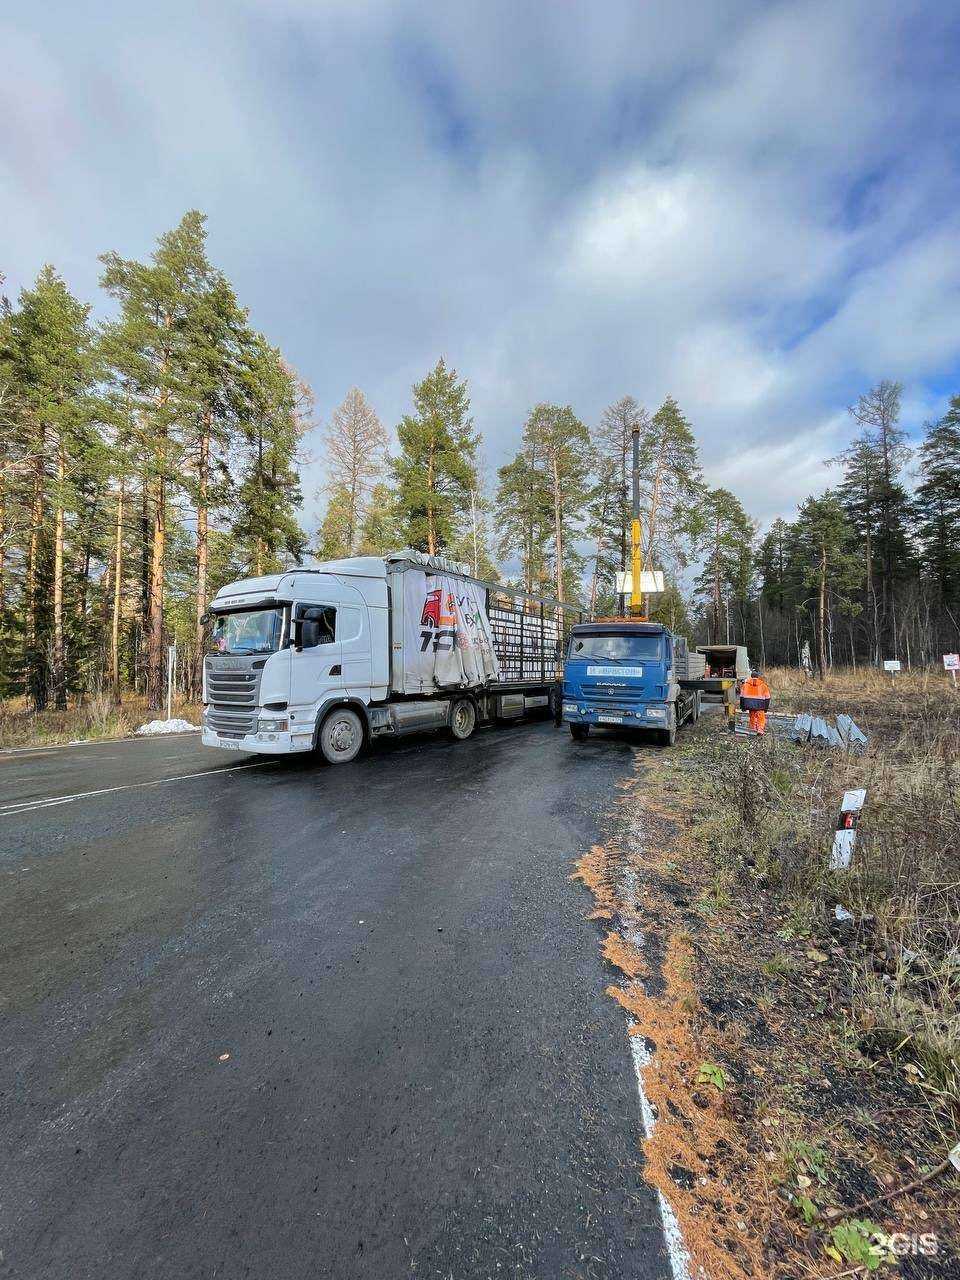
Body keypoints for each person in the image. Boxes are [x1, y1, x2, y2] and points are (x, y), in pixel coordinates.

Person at [740, 668, 771, 735]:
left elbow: (741, 697)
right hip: (760, 705)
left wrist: (742, 707)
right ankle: (760, 730)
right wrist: (766, 708)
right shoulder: (763, 685)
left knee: (752, 717)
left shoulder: (745, 685)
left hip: (749, 704)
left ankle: (752, 730)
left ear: (751, 676)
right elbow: (768, 698)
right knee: (761, 718)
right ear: (758, 677)